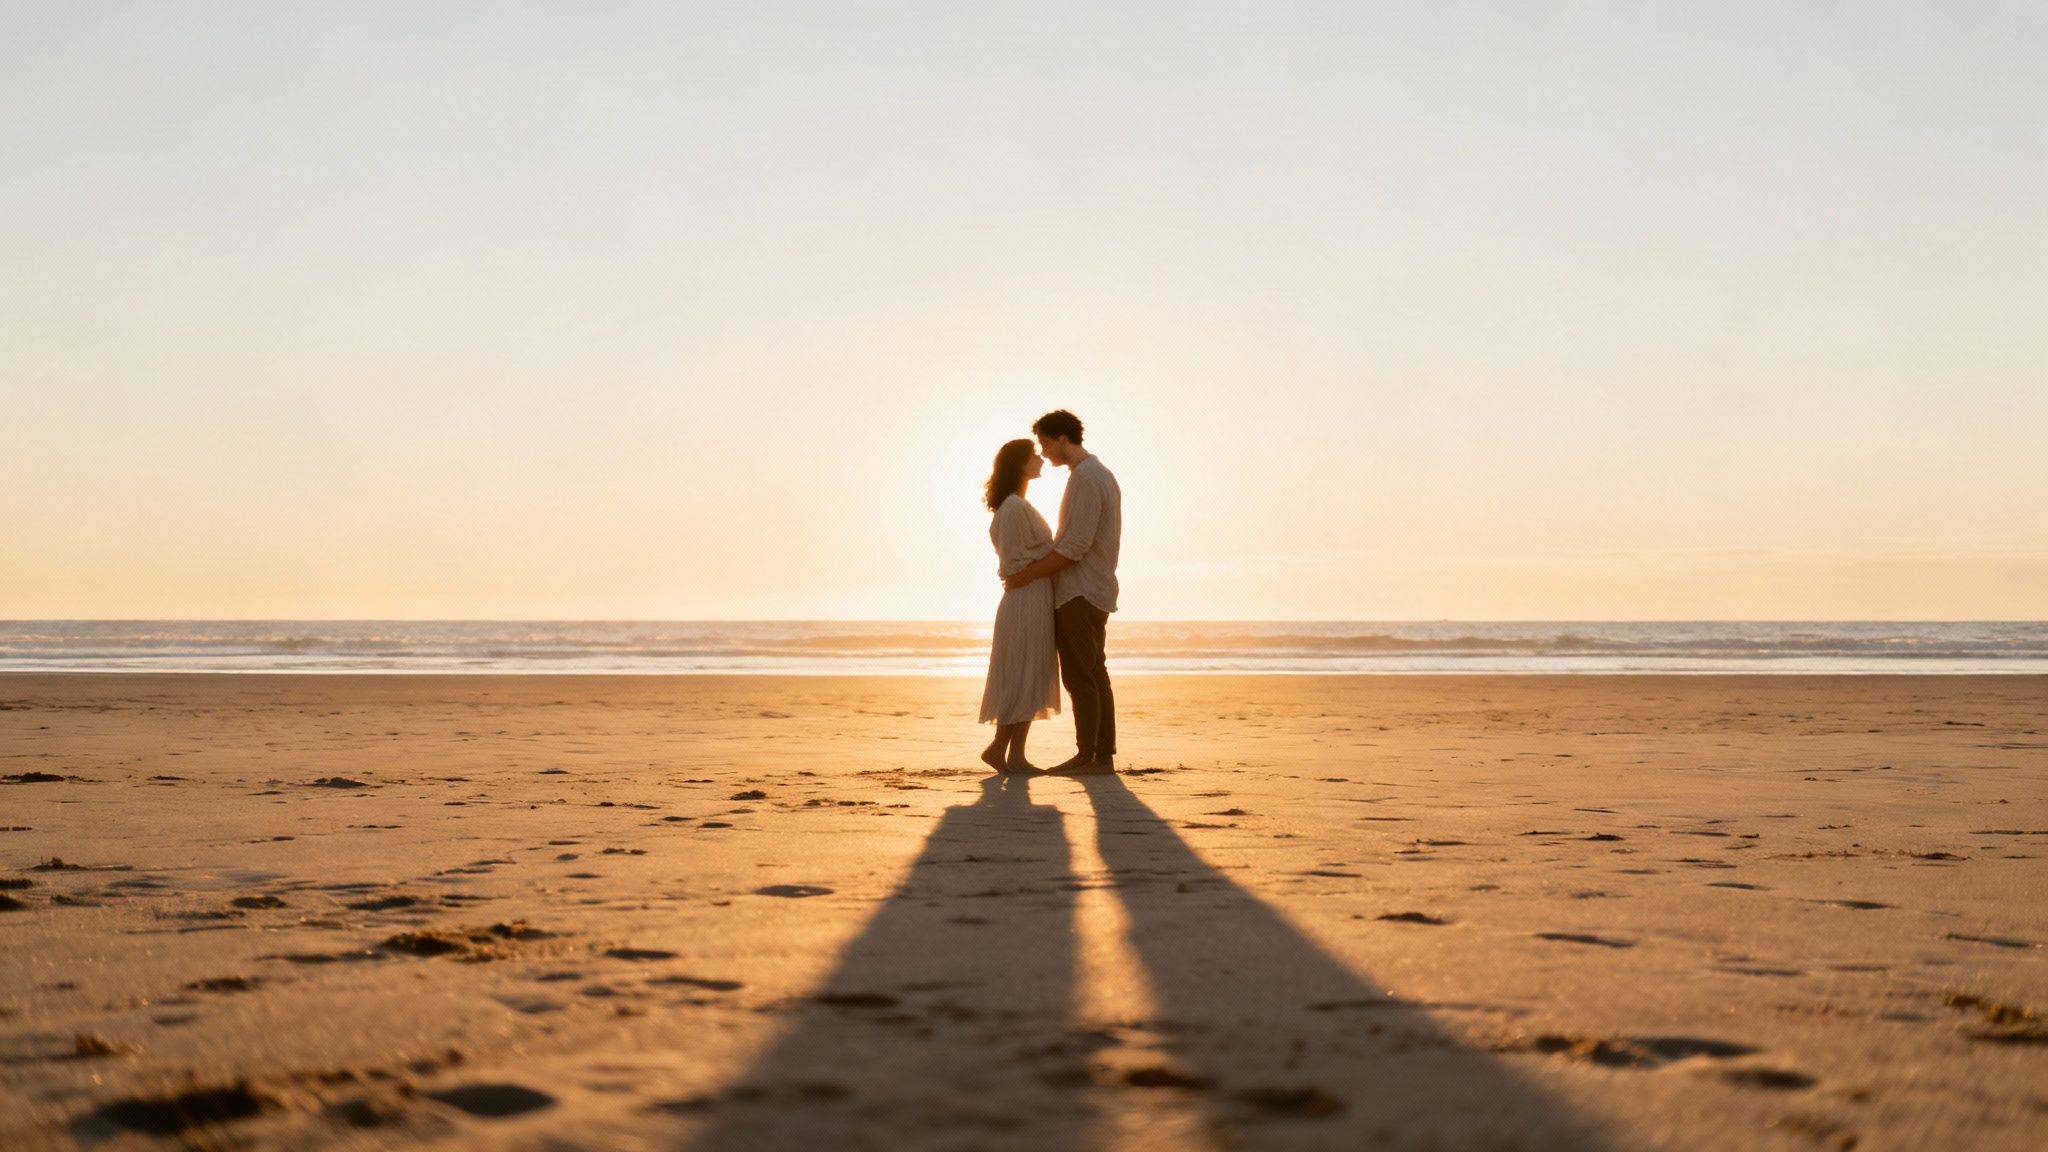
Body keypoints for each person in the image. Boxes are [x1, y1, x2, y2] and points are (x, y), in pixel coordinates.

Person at [1003, 409, 1121, 775]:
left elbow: (1076, 545)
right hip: (1091, 587)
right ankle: (1098, 753)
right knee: (1093, 672)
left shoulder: (1087, 477)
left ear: (1062, 439)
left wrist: (1027, 574)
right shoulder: (1093, 474)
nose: (1044, 452)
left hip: (1081, 591)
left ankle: (1092, 756)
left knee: (1081, 675)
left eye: (1044, 443)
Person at [978, 439, 1061, 773]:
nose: (1040, 459)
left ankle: (1014, 755)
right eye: (1034, 455)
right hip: (1024, 599)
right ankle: (1000, 749)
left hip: (1034, 596)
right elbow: (1012, 567)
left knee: (1031, 675)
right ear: (1020, 464)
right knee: (1021, 674)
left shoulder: (1018, 505)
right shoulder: (1013, 507)